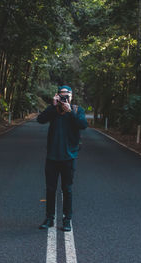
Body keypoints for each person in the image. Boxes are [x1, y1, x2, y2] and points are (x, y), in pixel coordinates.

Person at [37, 85, 88, 231]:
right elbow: (40, 120)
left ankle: (67, 220)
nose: (64, 98)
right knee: (50, 189)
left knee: (67, 190)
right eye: (62, 95)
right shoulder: (53, 111)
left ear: (71, 96)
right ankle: (49, 218)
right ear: (57, 96)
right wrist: (53, 106)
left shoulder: (77, 110)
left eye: (67, 95)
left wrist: (70, 111)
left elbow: (83, 125)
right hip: (52, 157)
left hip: (69, 157)